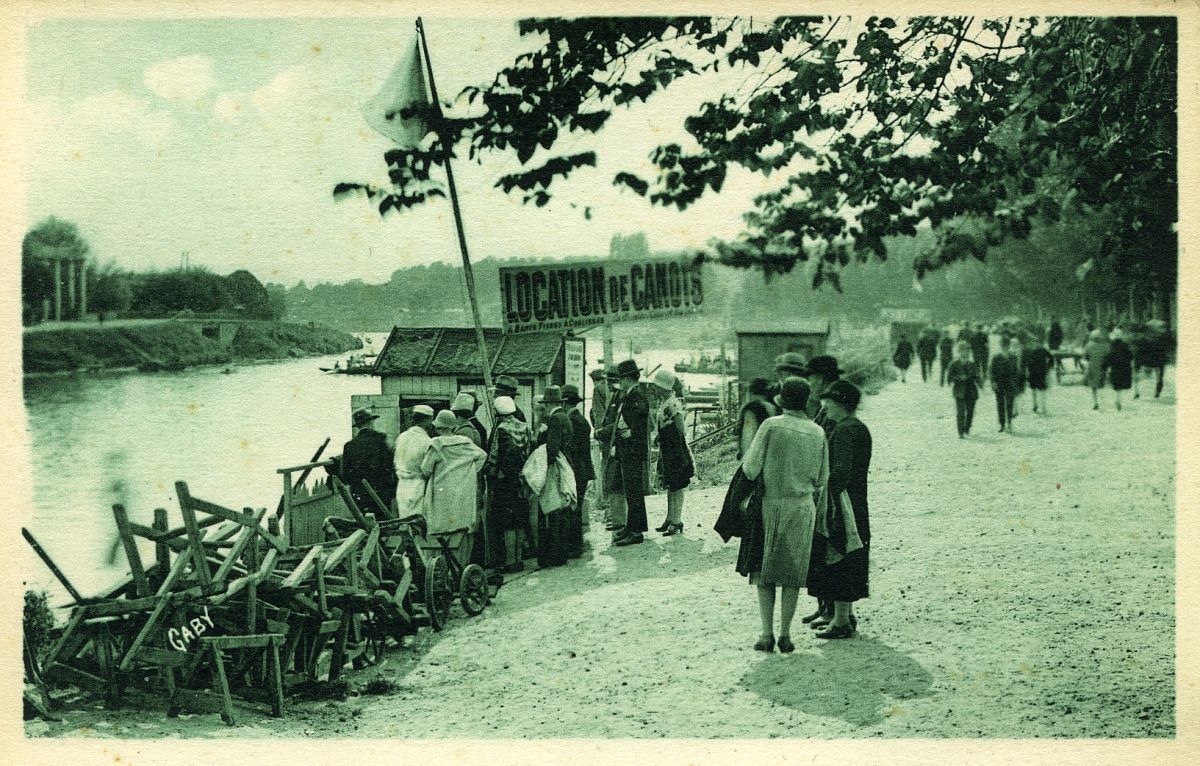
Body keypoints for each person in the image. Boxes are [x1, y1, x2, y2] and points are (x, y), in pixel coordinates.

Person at [737, 377, 828, 654]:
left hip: (770, 503)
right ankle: (786, 634)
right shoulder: (817, 432)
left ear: (782, 400)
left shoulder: (771, 425)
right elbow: (822, 478)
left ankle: (766, 634)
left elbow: (750, 468)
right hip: (801, 507)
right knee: (792, 573)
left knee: (764, 572)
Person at [807, 381, 872, 639]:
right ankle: (844, 615)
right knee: (850, 553)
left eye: (830, 403)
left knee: (840, 555)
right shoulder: (858, 427)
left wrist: (822, 489)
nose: (826, 407)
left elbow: (841, 471)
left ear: (841, 403)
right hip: (856, 500)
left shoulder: (844, 430)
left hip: (842, 502)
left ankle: (841, 621)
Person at [421, 409, 487, 538]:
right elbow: (482, 455)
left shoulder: (437, 444)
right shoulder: (465, 442)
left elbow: (426, 469)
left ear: (438, 426)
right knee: (460, 523)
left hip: (442, 489)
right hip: (462, 487)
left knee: (442, 524)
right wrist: (471, 471)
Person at [486, 396, 532, 573]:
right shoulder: (525, 427)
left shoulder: (502, 429)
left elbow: (497, 454)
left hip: (506, 481)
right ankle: (519, 559)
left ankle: (510, 561)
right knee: (520, 520)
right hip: (522, 478)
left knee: (508, 523)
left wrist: (495, 473)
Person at [611, 359, 651, 547]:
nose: (620, 382)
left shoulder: (636, 395)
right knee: (631, 492)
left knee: (634, 493)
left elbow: (641, 417)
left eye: (621, 379)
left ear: (627, 379)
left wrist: (632, 432)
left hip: (632, 451)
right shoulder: (631, 394)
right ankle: (632, 527)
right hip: (628, 450)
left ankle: (636, 532)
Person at [651, 369, 694, 537]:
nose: (655, 389)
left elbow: (681, 428)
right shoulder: (666, 402)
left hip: (675, 448)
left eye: (657, 386)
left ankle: (677, 520)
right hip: (668, 447)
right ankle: (670, 518)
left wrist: (667, 435)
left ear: (664, 387)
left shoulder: (673, 403)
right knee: (670, 484)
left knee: (677, 484)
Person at [332, 408, 397, 512]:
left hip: (359, 494)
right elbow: (390, 465)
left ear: (358, 426)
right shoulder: (381, 439)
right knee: (383, 519)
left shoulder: (349, 445)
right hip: (381, 492)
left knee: (363, 520)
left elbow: (345, 476)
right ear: (370, 422)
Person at [593, 365, 628, 542]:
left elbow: (613, 422)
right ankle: (616, 518)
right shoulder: (615, 395)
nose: (609, 384)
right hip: (610, 442)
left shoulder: (620, 396)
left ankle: (618, 520)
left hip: (613, 443)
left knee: (615, 481)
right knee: (613, 481)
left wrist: (600, 433)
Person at [562, 384, 595, 557]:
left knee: (573, 508)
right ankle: (575, 545)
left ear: (565, 402)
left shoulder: (573, 421)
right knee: (576, 507)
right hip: (583, 469)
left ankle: (574, 547)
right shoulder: (580, 419)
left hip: (577, 469)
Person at [394, 405, 435, 516]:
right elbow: (428, 468)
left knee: (404, 518)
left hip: (402, 485)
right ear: (427, 420)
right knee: (418, 520)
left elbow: (395, 460)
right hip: (418, 484)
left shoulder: (401, 437)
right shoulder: (427, 441)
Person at [737, 378, 778, 460]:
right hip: (770, 454)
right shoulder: (773, 408)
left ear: (750, 392)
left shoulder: (749, 408)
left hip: (754, 456)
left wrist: (745, 458)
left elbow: (748, 435)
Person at [946, 341, 979, 437]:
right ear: (959, 352)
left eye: (966, 351)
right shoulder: (954, 364)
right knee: (960, 411)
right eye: (962, 351)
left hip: (971, 390)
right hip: (959, 391)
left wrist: (981, 384)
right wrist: (958, 378)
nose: (964, 353)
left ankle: (967, 428)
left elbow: (977, 377)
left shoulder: (972, 364)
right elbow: (949, 378)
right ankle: (960, 432)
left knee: (970, 411)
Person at [804, 355, 842, 436]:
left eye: (811, 383)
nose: (810, 388)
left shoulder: (832, 410)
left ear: (820, 379)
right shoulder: (831, 404)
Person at [990, 336, 1019, 433]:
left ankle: (1009, 423)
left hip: (1010, 384)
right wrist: (993, 382)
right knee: (1000, 404)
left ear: (1009, 346)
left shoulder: (1013, 357)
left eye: (1006, 345)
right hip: (999, 384)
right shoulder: (995, 357)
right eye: (1003, 345)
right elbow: (992, 371)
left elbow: (1016, 371)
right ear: (1000, 346)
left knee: (1010, 404)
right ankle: (1002, 424)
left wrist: (1015, 382)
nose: (1005, 347)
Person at [1134, 321, 1170, 399]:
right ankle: (1157, 393)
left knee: (1137, 374)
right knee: (1159, 377)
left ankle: (1137, 392)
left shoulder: (1143, 339)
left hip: (1146, 361)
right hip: (1157, 362)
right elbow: (1164, 351)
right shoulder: (1161, 339)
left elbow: (1138, 351)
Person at [1103, 328, 1134, 411]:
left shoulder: (1112, 345)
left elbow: (1109, 356)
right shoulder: (1125, 345)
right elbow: (1131, 356)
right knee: (1120, 387)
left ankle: (1118, 400)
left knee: (1117, 386)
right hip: (1125, 368)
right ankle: (1118, 400)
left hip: (1115, 368)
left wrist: (1105, 366)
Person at [1023, 338, 1054, 415]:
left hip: (1039, 373)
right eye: (1036, 343)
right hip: (1035, 373)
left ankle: (1042, 407)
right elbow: (1027, 362)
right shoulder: (1033, 351)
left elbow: (1051, 359)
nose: (1037, 345)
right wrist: (1028, 371)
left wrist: (1048, 368)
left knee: (1040, 390)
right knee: (1035, 390)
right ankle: (1036, 405)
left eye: (1039, 343)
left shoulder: (1042, 351)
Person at [1083, 329, 1110, 410]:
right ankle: (1103, 401)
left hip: (1092, 366)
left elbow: (1085, 356)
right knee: (1101, 384)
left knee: (1093, 386)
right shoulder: (1104, 345)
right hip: (1102, 367)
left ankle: (1095, 402)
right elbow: (1108, 356)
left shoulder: (1088, 345)